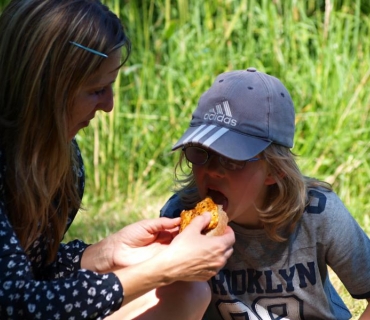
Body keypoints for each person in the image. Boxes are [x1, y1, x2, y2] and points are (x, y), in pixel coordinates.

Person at [0, 1, 235, 319]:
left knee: (186, 292)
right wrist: (160, 269)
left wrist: (104, 254)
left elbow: (34, 269)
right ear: (44, 88)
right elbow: (15, 303)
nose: (109, 105)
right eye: (97, 90)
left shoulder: (62, 163)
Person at [160, 67, 370, 319]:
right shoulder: (179, 216)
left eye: (231, 158)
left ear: (275, 169)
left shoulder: (318, 214)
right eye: (199, 152)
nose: (213, 170)